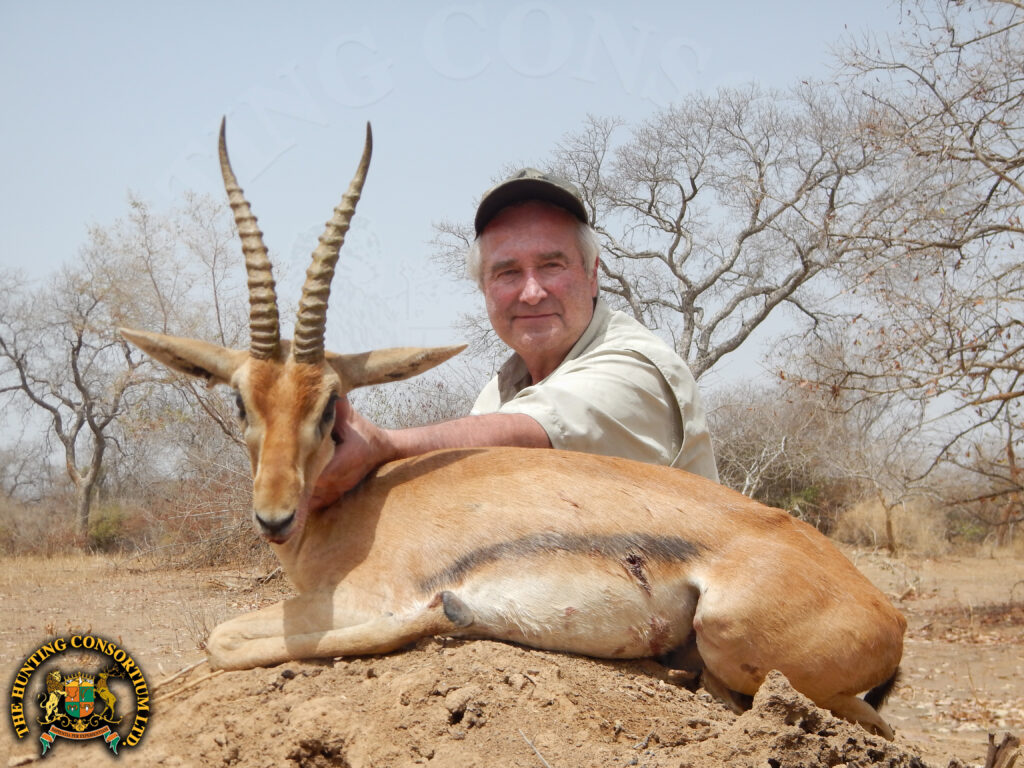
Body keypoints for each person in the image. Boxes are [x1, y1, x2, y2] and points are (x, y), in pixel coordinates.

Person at [308, 168, 717, 509]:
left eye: (552, 265)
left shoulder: (635, 365)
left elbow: (534, 431)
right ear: (484, 289)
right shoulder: (502, 390)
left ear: (592, 275)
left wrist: (383, 446)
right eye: (507, 273)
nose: (532, 292)